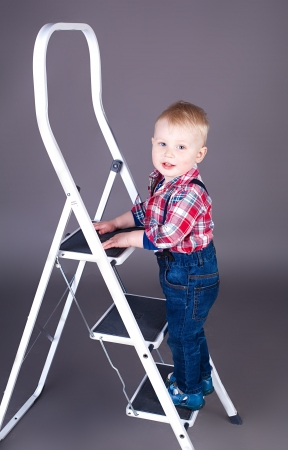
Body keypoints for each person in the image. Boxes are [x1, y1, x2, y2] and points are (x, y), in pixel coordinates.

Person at [93, 101, 219, 411]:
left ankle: (189, 391)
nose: (168, 153)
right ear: (152, 143)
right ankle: (202, 378)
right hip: (181, 272)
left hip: (192, 273)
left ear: (198, 154)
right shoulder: (164, 180)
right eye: (162, 144)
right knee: (191, 329)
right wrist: (114, 224)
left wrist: (126, 239)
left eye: (180, 147)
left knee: (180, 335)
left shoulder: (191, 192)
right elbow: (146, 211)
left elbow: (166, 236)